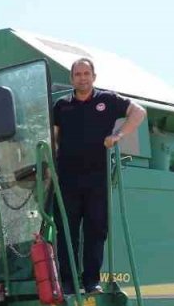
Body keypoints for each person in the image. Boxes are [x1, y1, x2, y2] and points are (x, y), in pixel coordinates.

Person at [51, 57, 146, 293]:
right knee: (67, 231)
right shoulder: (61, 106)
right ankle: (68, 283)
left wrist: (118, 135)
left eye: (86, 74)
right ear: (71, 78)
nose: (82, 78)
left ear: (94, 77)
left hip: (97, 178)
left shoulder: (108, 100)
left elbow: (139, 112)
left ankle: (91, 282)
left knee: (95, 230)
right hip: (67, 178)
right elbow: (53, 137)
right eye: (78, 74)